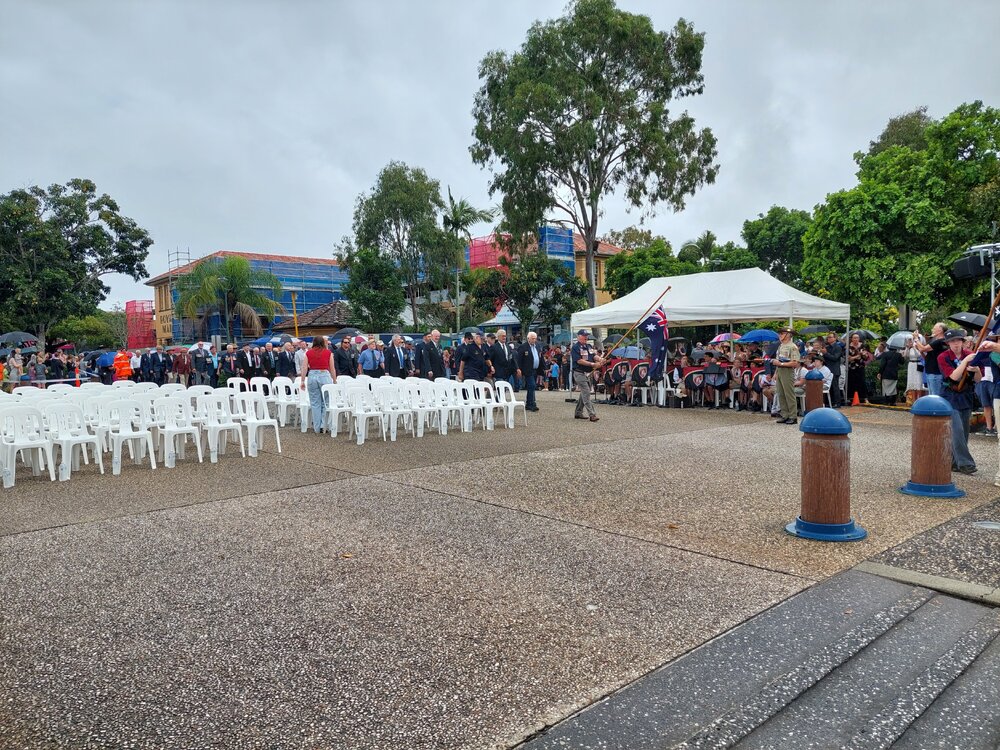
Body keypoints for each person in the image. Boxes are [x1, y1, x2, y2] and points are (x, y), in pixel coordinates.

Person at [938, 328, 979, 474]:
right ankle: (966, 463)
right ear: (948, 343)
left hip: (966, 395)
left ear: (963, 342)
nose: (956, 344)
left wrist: (976, 370)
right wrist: (965, 362)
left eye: (958, 340)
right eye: (952, 341)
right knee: (957, 430)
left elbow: (978, 379)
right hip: (949, 395)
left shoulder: (970, 354)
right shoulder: (943, 357)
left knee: (965, 431)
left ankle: (954, 462)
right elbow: (953, 377)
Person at [299, 335, 337, 434]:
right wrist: (334, 380)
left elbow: (304, 367)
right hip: (324, 374)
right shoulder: (328, 353)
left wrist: (302, 380)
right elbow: (332, 368)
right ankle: (323, 425)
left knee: (315, 403)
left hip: (312, 375)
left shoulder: (308, 353)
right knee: (326, 401)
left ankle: (316, 427)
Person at [571, 330, 602, 421]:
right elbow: (579, 361)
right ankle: (592, 414)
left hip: (588, 374)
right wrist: (593, 364)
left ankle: (578, 412)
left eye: (587, 336)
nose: (586, 337)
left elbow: (594, 356)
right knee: (587, 392)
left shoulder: (589, 346)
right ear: (579, 336)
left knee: (584, 393)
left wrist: (600, 359)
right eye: (584, 336)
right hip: (579, 373)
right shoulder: (575, 347)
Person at [773, 327, 800, 424]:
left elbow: (795, 363)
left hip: (787, 371)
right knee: (781, 394)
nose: (780, 335)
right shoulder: (781, 346)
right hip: (780, 370)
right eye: (780, 333)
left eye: (782, 333)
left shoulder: (792, 346)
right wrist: (776, 373)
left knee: (789, 394)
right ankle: (785, 415)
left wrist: (780, 364)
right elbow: (778, 360)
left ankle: (793, 416)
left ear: (788, 335)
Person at [918, 322, 949, 396]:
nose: (932, 330)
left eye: (934, 328)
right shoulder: (937, 341)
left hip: (935, 373)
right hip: (931, 372)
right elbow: (926, 356)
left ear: (940, 330)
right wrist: (921, 351)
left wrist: (916, 339)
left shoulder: (940, 341)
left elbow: (923, 348)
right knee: (932, 396)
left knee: (935, 396)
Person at [515, 331, 544, 411]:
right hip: (527, 369)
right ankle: (531, 403)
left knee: (532, 387)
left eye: (535, 338)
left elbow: (540, 357)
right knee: (532, 385)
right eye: (532, 338)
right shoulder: (523, 347)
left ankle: (529, 403)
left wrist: (543, 367)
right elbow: (519, 359)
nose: (534, 340)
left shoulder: (537, 346)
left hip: (535, 369)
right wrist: (518, 369)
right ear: (528, 338)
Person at [846, 333, 870, 404]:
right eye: (854, 338)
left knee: (862, 382)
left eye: (857, 338)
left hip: (860, 367)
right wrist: (857, 356)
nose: (856, 339)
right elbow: (848, 358)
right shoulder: (848, 347)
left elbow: (866, 358)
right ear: (852, 339)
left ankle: (864, 398)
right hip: (851, 367)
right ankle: (851, 398)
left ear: (859, 339)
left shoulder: (863, 346)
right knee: (852, 383)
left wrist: (864, 355)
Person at [822, 333, 844, 407]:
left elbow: (835, 358)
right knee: (829, 387)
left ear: (835, 338)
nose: (828, 338)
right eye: (828, 337)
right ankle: (829, 402)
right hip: (827, 369)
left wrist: (826, 353)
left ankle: (837, 403)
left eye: (830, 337)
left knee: (835, 387)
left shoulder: (838, 347)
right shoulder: (827, 347)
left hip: (834, 369)